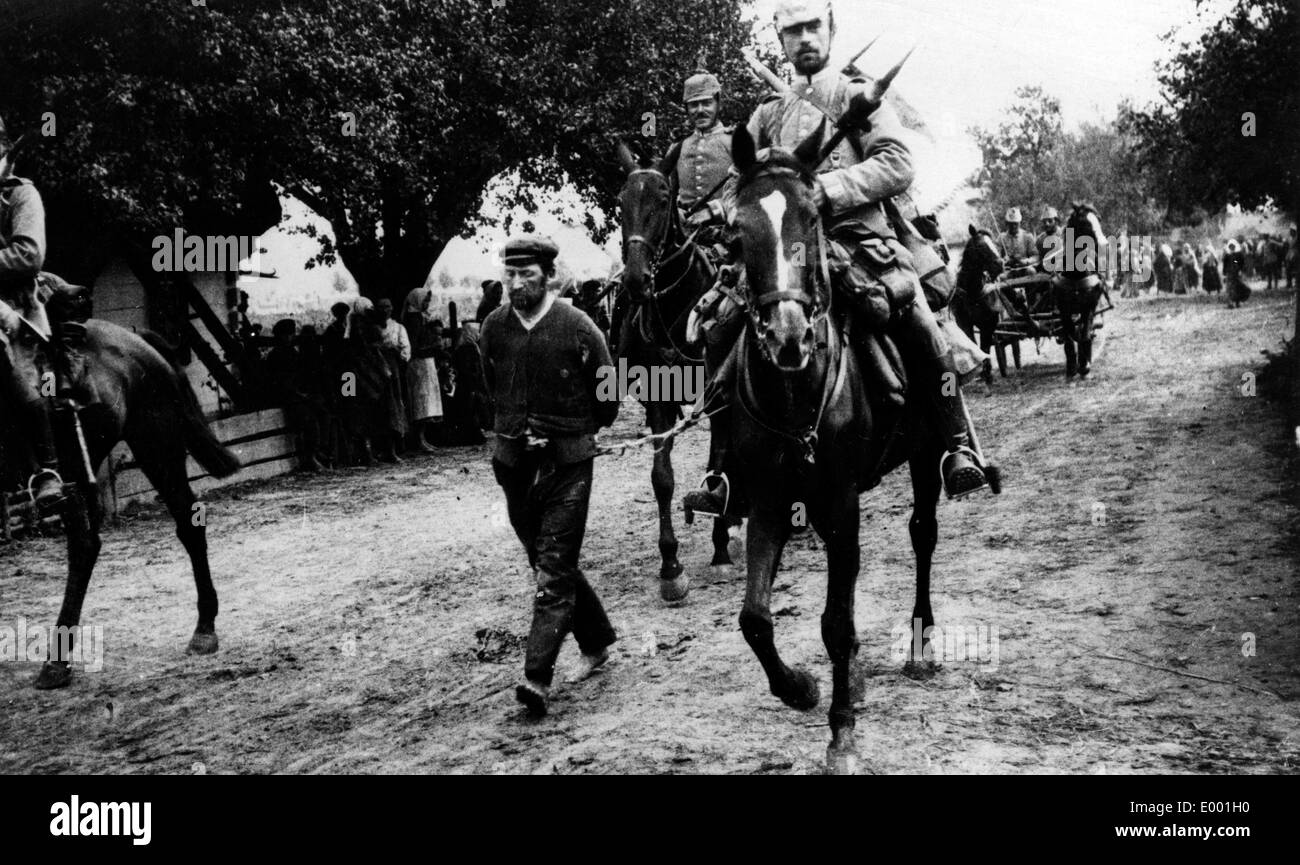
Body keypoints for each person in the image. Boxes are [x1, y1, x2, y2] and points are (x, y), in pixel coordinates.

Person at [682, 0, 992, 519]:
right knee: (719, 329)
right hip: (792, 251)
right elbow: (744, 179)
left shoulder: (855, 95)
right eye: (792, 31)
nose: (804, 38)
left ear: (830, 30)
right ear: (780, 41)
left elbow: (898, 163)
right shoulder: (765, 114)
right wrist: (721, 207)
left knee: (919, 322)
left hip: (859, 243)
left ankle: (957, 444)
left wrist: (828, 189)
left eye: (812, 28)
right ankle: (723, 470)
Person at [478, 235, 619, 717]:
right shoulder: (494, 327)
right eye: (510, 275)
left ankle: (536, 677)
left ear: (548, 276)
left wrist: (566, 436)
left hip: (568, 466)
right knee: (545, 557)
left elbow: (609, 400)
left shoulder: (580, 328)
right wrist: (515, 433)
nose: (517, 284)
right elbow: (490, 388)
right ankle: (596, 640)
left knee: (553, 567)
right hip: (513, 466)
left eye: (527, 275)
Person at [0, 115, 65, 509]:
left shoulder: (21, 196)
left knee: (14, 367)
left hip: (17, 309)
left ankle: (47, 468)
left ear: (4, 150)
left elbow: (29, 253)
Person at [402, 286, 445, 452]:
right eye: (424, 300)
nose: (427, 303)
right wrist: (432, 347)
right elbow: (414, 346)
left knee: (427, 400)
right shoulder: (413, 319)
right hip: (419, 363)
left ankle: (423, 437)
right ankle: (418, 438)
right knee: (422, 400)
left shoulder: (420, 317)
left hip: (426, 362)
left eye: (428, 300)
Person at [998, 207, 1039, 272]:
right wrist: (1004, 261)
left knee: (1031, 271)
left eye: (1016, 224)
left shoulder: (1027, 236)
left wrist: (1025, 262)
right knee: (1000, 277)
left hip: (1024, 268)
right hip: (1008, 271)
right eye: (1011, 224)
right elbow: (996, 258)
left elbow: (1036, 256)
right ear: (1007, 223)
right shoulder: (1001, 238)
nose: (1013, 226)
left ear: (1020, 222)